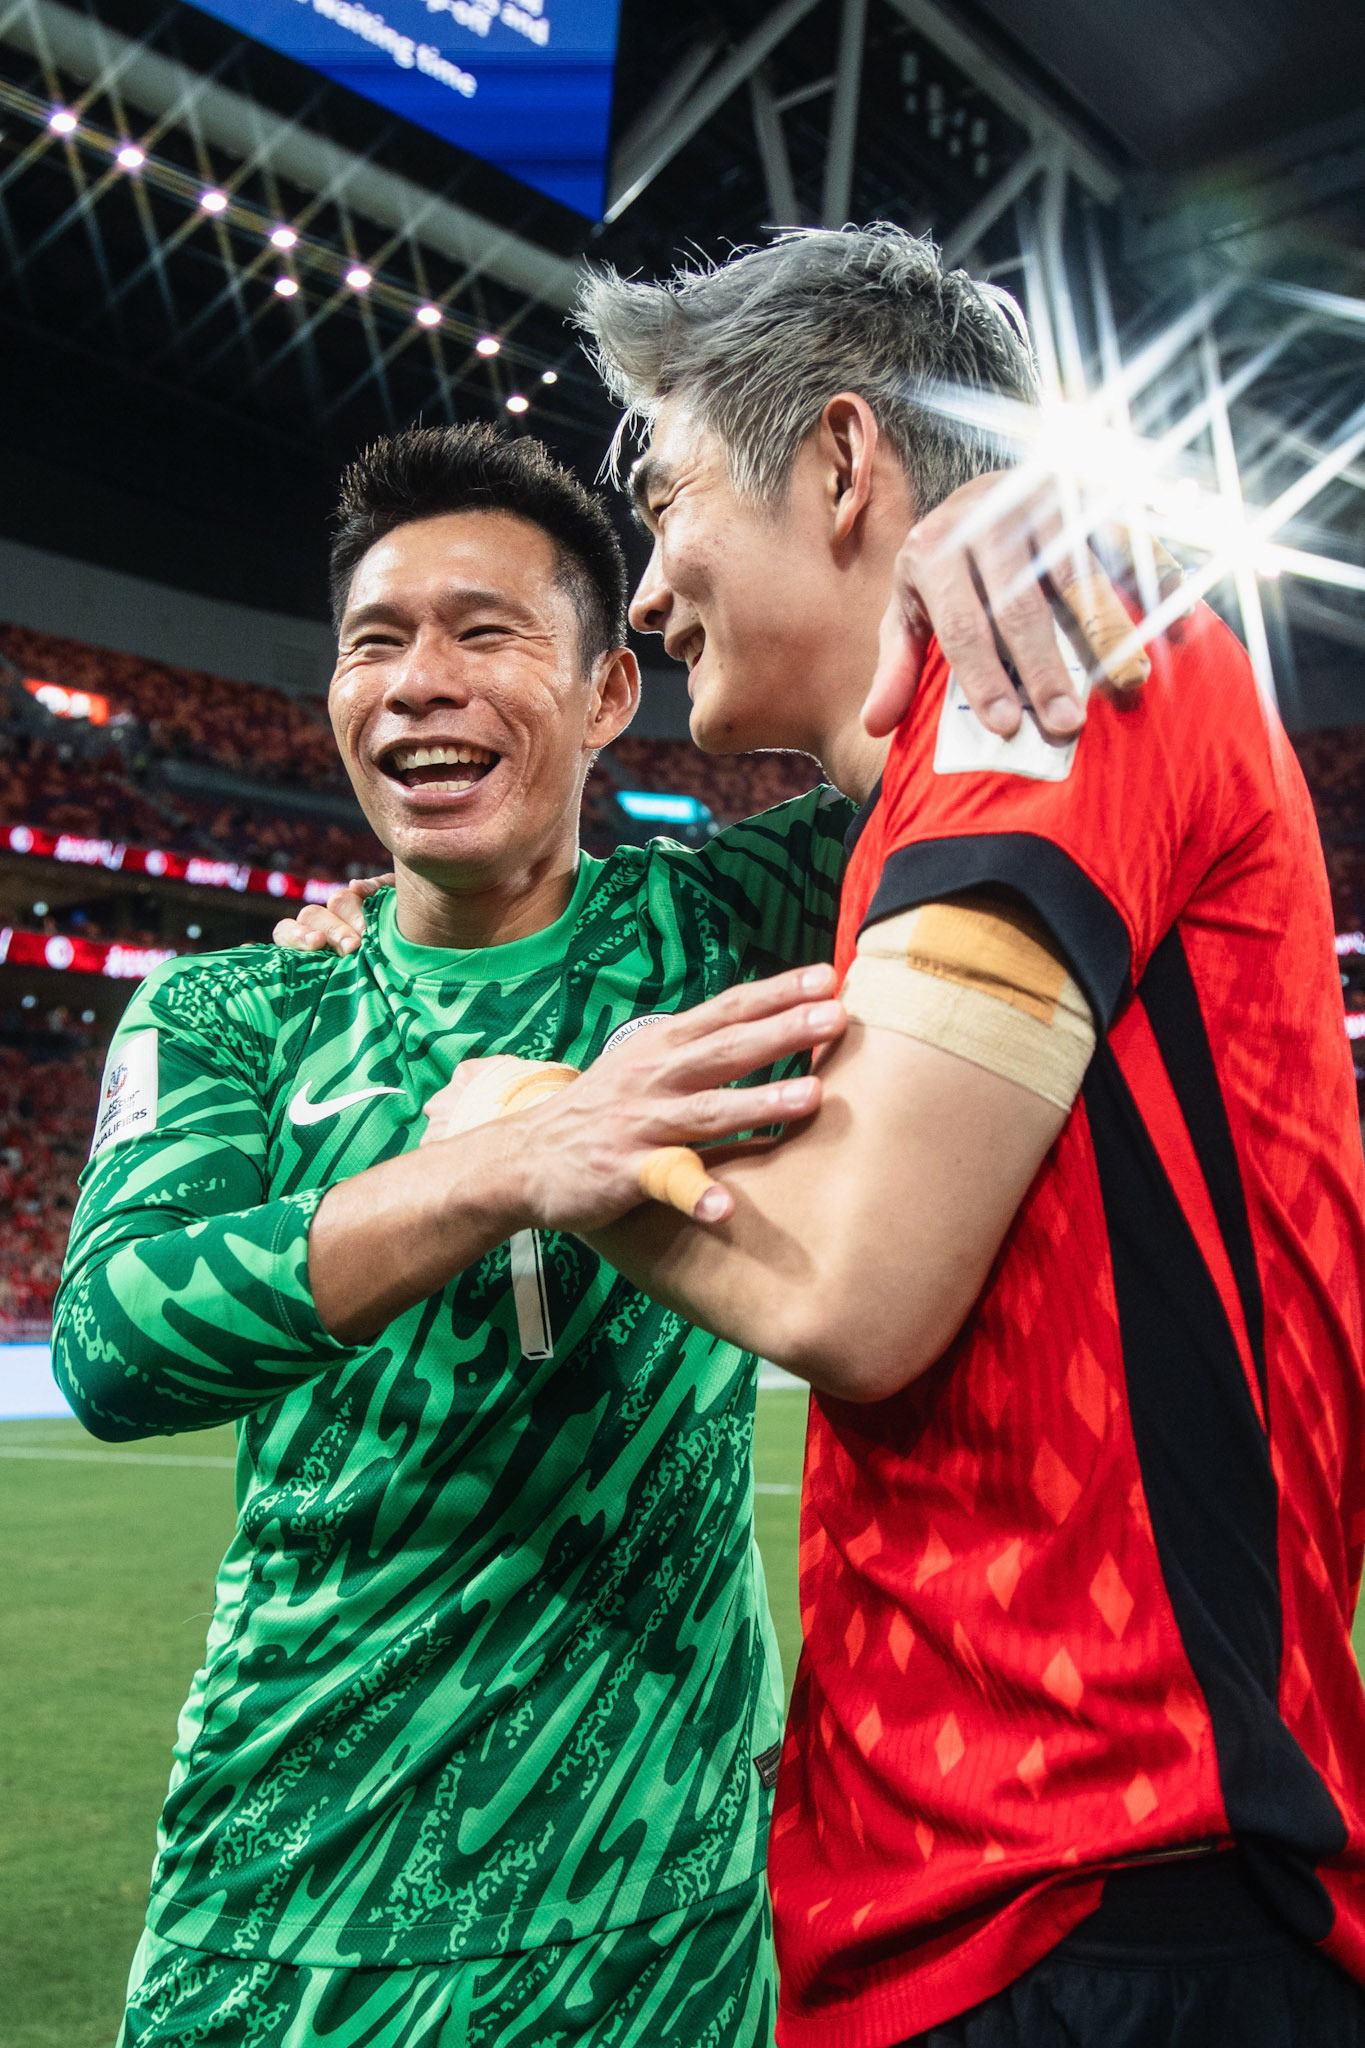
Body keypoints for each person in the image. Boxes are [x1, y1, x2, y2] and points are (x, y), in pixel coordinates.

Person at [300, 225, 1365, 2048]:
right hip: (968, 1889)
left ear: (846, 463)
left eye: (675, 496)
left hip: (1097, 1892)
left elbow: (858, 1294)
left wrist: (526, 1120)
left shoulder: (1065, 667)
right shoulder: (921, 792)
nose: (646, 590)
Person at [56, 418, 1108, 2048]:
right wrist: (500, 1163)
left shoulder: (719, 923)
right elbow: (115, 1340)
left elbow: (1020, 731)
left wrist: (1038, 521)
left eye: (485, 634)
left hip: (665, 1897)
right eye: (374, 643)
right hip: (293, 1898)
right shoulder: (232, 1006)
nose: (417, 682)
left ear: (614, 693)